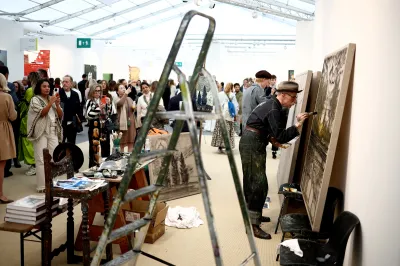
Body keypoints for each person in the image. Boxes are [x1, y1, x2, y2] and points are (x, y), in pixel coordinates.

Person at [239, 81, 310, 239]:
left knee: (253, 181)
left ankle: (254, 216)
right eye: (292, 98)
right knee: (258, 184)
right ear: (283, 95)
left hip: (253, 141)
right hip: (252, 144)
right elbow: (281, 135)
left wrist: (274, 141)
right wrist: (298, 125)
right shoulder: (273, 108)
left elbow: (266, 127)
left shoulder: (272, 104)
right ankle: (253, 225)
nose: (294, 101)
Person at [27, 79, 63, 192]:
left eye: (48, 86)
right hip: (41, 132)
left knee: (53, 158)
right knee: (41, 159)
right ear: (39, 88)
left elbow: (60, 115)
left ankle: (52, 182)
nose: (47, 88)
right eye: (44, 86)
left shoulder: (50, 99)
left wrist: (57, 105)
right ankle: (42, 186)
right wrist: (51, 103)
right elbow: (42, 113)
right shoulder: (35, 100)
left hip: (53, 131)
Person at [0, 73, 17, 203]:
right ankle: (0, 194)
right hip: (3, 130)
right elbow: (13, 116)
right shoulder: (7, 97)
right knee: (1, 164)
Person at [19, 72, 38, 176]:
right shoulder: (38, 90)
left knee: (28, 142)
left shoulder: (30, 91)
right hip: (38, 119)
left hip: (28, 119)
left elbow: (25, 106)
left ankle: (33, 165)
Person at [211, 83, 238, 153]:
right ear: (232, 88)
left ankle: (219, 146)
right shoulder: (232, 95)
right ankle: (227, 147)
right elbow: (235, 106)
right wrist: (235, 115)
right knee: (228, 131)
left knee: (220, 131)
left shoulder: (220, 94)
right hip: (228, 117)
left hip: (220, 116)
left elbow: (215, 103)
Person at [59, 75, 81, 144]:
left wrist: (79, 119)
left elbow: (78, 108)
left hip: (72, 123)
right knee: (60, 144)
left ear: (71, 83)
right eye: (63, 82)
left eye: (66, 82)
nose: (64, 83)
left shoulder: (75, 94)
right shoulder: (58, 94)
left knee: (72, 144)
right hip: (61, 124)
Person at [116, 84, 136, 152]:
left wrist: (134, 108)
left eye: (124, 88)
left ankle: (129, 157)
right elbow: (120, 104)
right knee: (122, 142)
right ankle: (121, 157)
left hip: (131, 123)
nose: (123, 89)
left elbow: (132, 109)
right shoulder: (117, 99)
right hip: (122, 124)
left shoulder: (129, 98)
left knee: (131, 142)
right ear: (117, 91)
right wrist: (126, 94)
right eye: (121, 88)